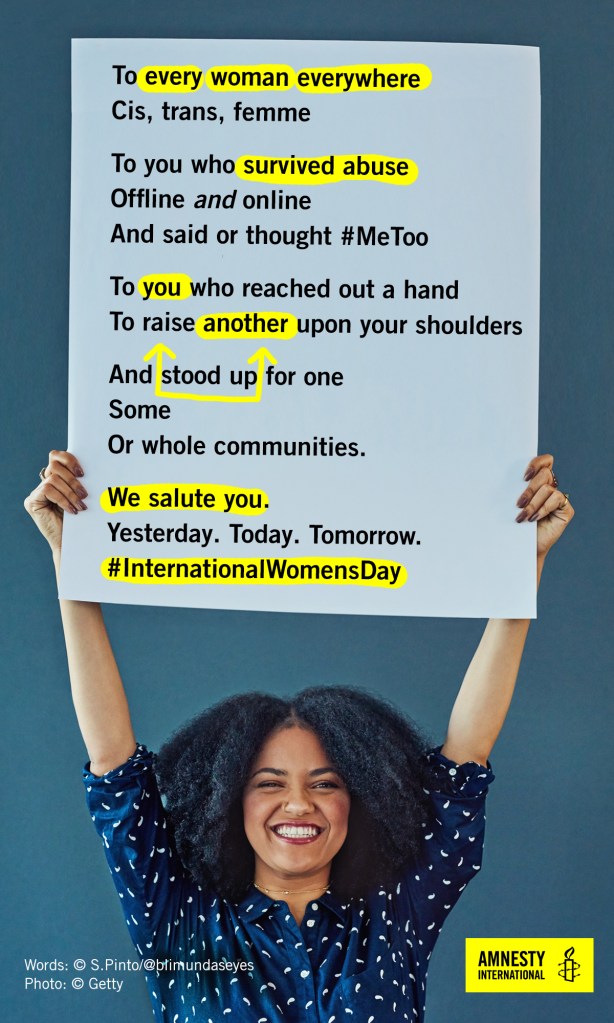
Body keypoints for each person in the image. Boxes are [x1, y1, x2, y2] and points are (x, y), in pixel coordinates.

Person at [25, 450, 573, 1023]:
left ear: (356, 801)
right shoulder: (179, 922)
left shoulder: (395, 917)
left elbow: (467, 758)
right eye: (269, 782)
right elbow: (113, 762)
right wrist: (72, 556)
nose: (298, 803)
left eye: (325, 782)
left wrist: (522, 565)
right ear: (229, 803)